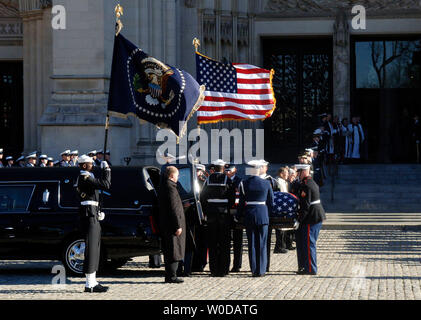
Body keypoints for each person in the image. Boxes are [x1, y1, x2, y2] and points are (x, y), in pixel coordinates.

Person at [76, 154, 111, 292]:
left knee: (95, 248)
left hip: (92, 213)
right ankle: (89, 284)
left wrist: (98, 211)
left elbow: (95, 195)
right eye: (90, 163)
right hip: (89, 215)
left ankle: (92, 281)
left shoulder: (87, 177)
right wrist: (107, 170)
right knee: (91, 248)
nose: (93, 165)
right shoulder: (85, 177)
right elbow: (106, 184)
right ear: (84, 165)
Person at [237, 160, 274, 277]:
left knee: (252, 243)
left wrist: (238, 216)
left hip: (249, 214)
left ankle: (254, 269)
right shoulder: (266, 183)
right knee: (262, 243)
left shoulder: (244, 183)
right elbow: (271, 202)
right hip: (263, 214)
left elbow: (242, 203)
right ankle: (261, 270)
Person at [200, 159, 234, 277]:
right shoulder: (228, 180)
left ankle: (213, 269)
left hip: (211, 214)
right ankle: (224, 269)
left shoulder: (207, 180)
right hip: (224, 214)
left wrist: (206, 211)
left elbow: (202, 197)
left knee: (213, 242)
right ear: (223, 168)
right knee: (224, 242)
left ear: (214, 168)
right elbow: (232, 197)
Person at [295, 164, 326, 275]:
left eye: (298, 172)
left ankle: (311, 269)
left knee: (309, 243)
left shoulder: (306, 185)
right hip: (315, 215)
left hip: (311, 217)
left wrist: (299, 220)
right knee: (308, 243)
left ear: (303, 172)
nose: (297, 174)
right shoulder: (309, 182)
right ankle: (308, 267)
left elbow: (306, 206)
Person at [158, 166, 186, 283]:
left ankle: (170, 275)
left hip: (166, 223)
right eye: (177, 175)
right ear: (172, 176)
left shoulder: (165, 186)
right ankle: (171, 275)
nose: (178, 177)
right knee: (174, 249)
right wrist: (177, 225)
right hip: (172, 224)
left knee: (170, 249)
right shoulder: (170, 188)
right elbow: (173, 208)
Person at [225, 164, 243, 273]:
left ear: (235, 170)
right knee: (226, 240)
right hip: (226, 213)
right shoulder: (223, 180)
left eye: (229, 170)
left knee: (238, 241)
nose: (227, 172)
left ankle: (237, 265)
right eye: (226, 170)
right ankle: (226, 264)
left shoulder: (240, 181)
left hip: (236, 213)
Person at [274, 167, 294, 254]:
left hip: (283, 207)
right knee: (280, 228)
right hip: (280, 207)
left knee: (283, 228)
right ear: (281, 173)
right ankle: (278, 246)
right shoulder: (278, 181)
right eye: (286, 172)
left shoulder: (283, 182)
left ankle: (283, 245)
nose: (288, 174)